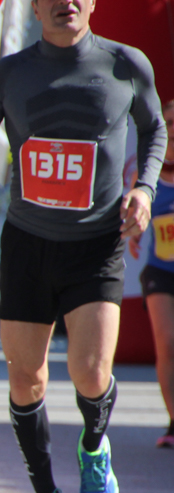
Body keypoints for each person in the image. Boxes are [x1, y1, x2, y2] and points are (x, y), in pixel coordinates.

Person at [0, 0, 166, 493]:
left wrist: (143, 188)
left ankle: (94, 447)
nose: (65, 1)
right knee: (27, 378)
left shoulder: (126, 65)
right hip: (27, 246)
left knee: (92, 373)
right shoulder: (10, 74)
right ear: (35, 6)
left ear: (91, 2)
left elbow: (154, 129)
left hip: (95, 245)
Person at [130, 99, 174, 449]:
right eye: (169, 121)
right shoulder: (149, 173)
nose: (173, 128)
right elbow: (133, 212)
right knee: (168, 343)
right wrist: (133, 231)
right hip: (160, 270)